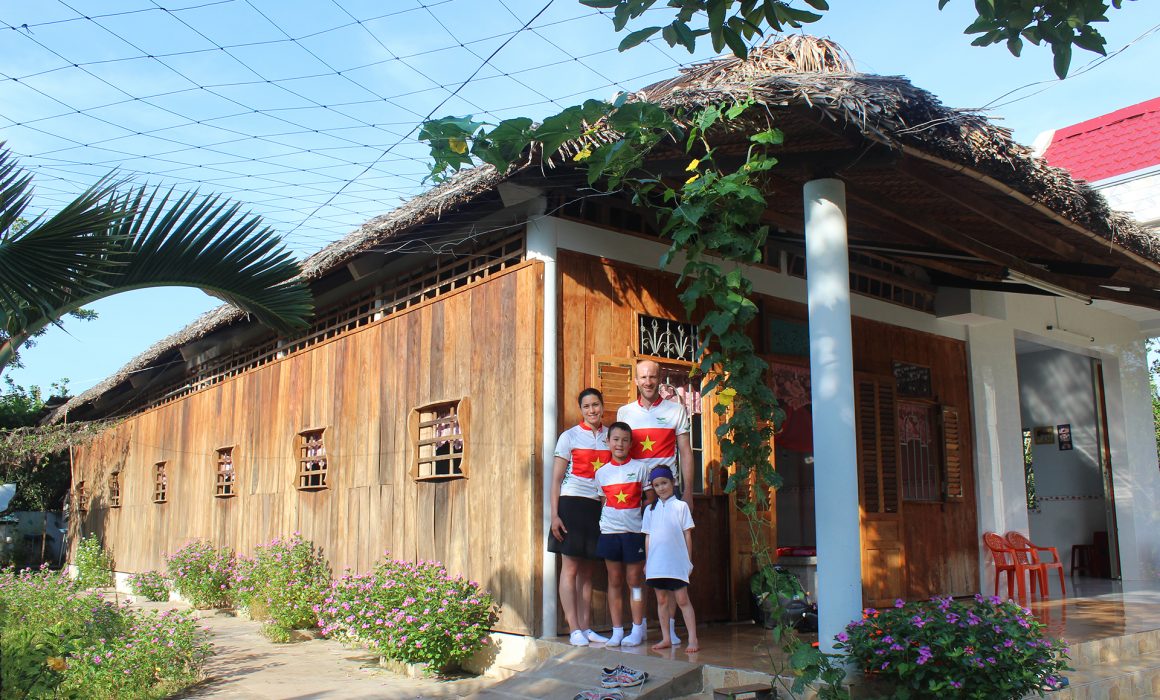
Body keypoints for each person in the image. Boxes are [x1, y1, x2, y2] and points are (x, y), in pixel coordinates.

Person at [617, 358, 694, 643]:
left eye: (652, 377)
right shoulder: (625, 412)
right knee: (635, 569)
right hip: (633, 498)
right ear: (635, 380)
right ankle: (638, 625)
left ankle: (669, 629)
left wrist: (686, 493)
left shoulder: (676, 410)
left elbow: (686, 452)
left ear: (659, 379)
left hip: (666, 498)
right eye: (642, 377)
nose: (647, 382)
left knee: (669, 565)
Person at [549, 388, 613, 647]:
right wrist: (554, 515)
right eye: (586, 406)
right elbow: (555, 480)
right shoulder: (569, 436)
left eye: (595, 404)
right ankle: (573, 628)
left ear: (602, 405)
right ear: (581, 410)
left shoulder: (611, 436)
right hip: (571, 504)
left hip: (598, 507)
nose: (592, 410)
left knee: (587, 571)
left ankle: (586, 628)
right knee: (571, 568)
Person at [594, 421, 651, 647]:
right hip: (609, 533)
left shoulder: (641, 468)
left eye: (625, 440)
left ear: (630, 443)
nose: (620, 444)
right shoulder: (601, 473)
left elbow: (649, 500)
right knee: (614, 580)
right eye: (615, 439)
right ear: (608, 442)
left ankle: (637, 628)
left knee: (635, 581)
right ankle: (617, 630)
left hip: (634, 533)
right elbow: (602, 502)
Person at [642, 465, 700, 652]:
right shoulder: (650, 510)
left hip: (676, 562)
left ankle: (693, 639)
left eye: (664, 483)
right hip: (657, 564)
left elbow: (687, 535)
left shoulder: (681, 506)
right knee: (662, 601)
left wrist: (688, 560)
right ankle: (666, 637)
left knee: (682, 599)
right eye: (656, 485)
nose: (661, 488)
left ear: (673, 482)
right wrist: (648, 561)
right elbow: (648, 536)